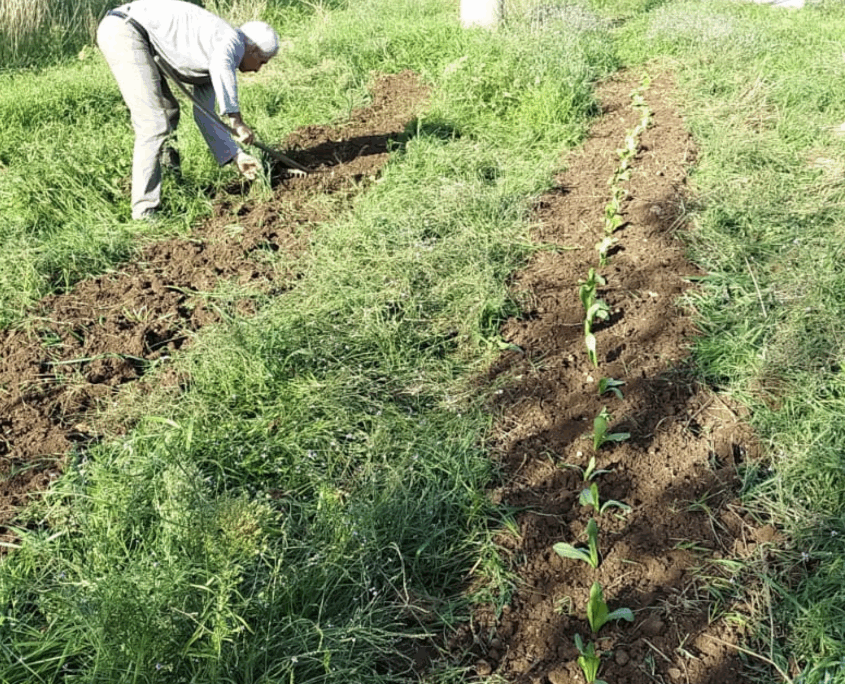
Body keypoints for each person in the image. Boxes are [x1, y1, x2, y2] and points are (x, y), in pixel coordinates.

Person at [96, 0, 280, 220]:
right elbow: (223, 67)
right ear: (251, 49)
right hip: (126, 30)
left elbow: (206, 116)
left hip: (135, 33)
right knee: (153, 124)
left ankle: (172, 186)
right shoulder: (231, 42)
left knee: (168, 112)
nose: (259, 70)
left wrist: (237, 156)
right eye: (262, 61)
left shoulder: (215, 54)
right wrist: (236, 120)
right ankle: (144, 211)